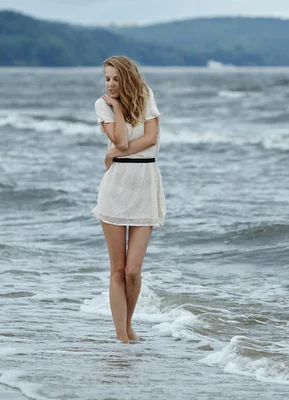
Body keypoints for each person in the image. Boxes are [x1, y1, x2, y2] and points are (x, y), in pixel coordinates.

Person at [91, 56, 166, 343]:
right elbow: (121, 141)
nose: (110, 84)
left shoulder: (146, 96)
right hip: (116, 186)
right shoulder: (103, 105)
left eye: (116, 79)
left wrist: (112, 153)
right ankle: (122, 336)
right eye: (107, 79)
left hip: (145, 182)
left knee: (134, 270)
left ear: (127, 78)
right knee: (118, 270)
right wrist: (118, 108)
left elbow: (150, 138)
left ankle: (129, 324)